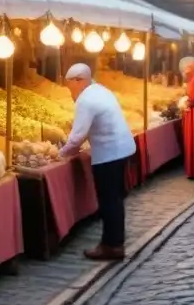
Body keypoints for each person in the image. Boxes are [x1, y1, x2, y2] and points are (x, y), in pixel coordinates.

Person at [58, 63, 137, 261]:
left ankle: (111, 246)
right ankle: (114, 242)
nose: (70, 91)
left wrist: (61, 154)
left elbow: (77, 137)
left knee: (109, 200)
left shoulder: (86, 100)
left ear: (79, 80)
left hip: (109, 153)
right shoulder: (101, 90)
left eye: (70, 86)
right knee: (115, 199)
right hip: (122, 148)